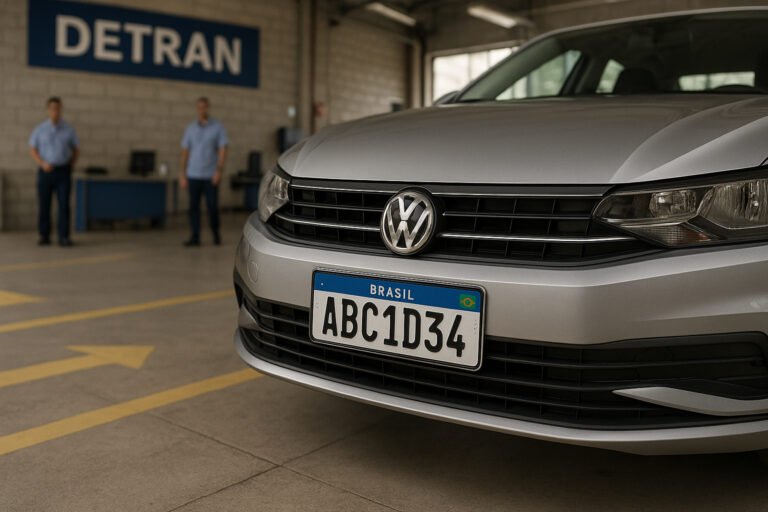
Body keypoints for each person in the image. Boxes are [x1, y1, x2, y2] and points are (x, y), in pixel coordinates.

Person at [28, 97, 79, 247]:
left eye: (57, 108)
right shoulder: (39, 129)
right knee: (44, 204)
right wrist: (42, 163)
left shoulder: (69, 129)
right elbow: (32, 149)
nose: (55, 111)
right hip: (45, 171)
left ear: (61, 109)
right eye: (52, 108)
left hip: (63, 172)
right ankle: (44, 235)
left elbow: (76, 149)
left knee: (64, 205)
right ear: (48, 110)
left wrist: (71, 165)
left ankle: (64, 236)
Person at [180, 97, 228, 246]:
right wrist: (182, 173)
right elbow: (185, 152)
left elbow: (222, 150)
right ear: (197, 109)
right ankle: (195, 237)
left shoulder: (218, 127)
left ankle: (216, 234)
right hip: (193, 174)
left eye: (204, 107)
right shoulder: (190, 128)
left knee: (212, 207)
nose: (202, 110)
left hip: (210, 176)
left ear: (208, 108)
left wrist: (218, 171)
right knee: (193, 208)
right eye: (199, 107)